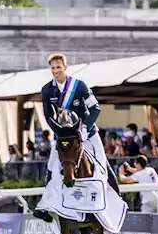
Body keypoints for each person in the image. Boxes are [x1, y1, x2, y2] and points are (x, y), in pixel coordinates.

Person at [40, 53, 118, 193]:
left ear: (65, 67)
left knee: (102, 162)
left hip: (86, 131)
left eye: (58, 67)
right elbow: (48, 116)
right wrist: (58, 130)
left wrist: (85, 127)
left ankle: (117, 196)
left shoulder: (79, 86)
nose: (56, 71)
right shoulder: (47, 90)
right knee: (51, 166)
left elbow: (95, 108)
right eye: (53, 68)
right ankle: (46, 202)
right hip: (64, 134)